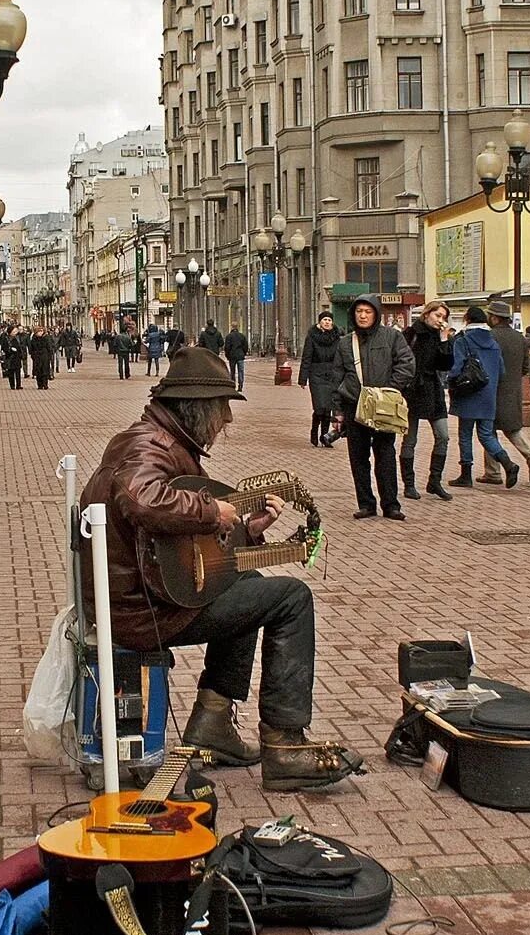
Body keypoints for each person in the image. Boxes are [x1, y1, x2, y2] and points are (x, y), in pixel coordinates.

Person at [78, 346, 365, 793]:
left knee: (246, 583)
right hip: (144, 612)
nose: (227, 421)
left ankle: (212, 722)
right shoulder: (149, 446)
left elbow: (178, 545)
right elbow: (139, 499)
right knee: (292, 598)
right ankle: (284, 744)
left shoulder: (161, 440)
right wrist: (212, 510)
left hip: (145, 596)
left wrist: (249, 529)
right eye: (222, 409)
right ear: (198, 409)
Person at [335, 297, 415, 520]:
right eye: (359, 311)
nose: (362, 316)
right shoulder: (345, 343)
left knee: (385, 455)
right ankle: (366, 504)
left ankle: (391, 505)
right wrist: (337, 410)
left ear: (376, 314)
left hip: (383, 407)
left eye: (367, 312)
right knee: (358, 457)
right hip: (355, 405)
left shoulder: (392, 337)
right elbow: (337, 376)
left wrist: (389, 390)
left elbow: (407, 364)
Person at [448, 306, 520, 489]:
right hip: (489, 396)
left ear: (467, 319)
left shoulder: (462, 340)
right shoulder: (493, 343)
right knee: (486, 434)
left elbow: (456, 368)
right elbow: (502, 372)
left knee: (465, 434)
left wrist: (450, 380)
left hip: (468, 393)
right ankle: (508, 464)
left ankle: (466, 475)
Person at [481, 302, 530, 483]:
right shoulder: (520, 338)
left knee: (488, 431)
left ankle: (493, 472)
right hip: (513, 391)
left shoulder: (490, 337)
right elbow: (526, 367)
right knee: (513, 429)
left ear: (494, 317)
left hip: (492, 391)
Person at [400, 302, 454, 501]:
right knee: (410, 439)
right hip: (413, 391)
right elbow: (401, 359)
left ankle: (434, 481)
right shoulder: (411, 333)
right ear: (427, 314)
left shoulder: (439, 336)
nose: (440, 320)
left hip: (433, 389)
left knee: (443, 436)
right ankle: (409, 484)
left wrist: (443, 338)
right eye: (437, 315)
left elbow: (446, 364)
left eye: (443, 317)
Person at [297, 309, 342, 448]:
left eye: (329, 320)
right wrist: (303, 379)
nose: (327, 322)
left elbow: (341, 357)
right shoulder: (312, 336)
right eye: (324, 320)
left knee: (328, 407)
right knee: (319, 407)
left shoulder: (337, 337)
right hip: (316, 375)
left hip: (331, 375)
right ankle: (314, 430)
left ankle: (325, 437)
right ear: (319, 322)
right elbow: (306, 358)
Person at [223, 321, 249, 392]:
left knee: (232, 371)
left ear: (231, 327)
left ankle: (233, 385)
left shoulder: (229, 336)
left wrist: (227, 355)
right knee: (241, 371)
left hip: (232, 356)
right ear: (238, 327)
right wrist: (243, 353)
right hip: (240, 356)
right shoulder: (242, 336)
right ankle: (240, 385)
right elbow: (245, 346)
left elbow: (227, 347)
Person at [29, 325, 55, 389]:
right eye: (39, 331)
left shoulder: (46, 338)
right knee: (38, 371)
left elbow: (49, 348)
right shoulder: (34, 339)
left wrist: (49, 356)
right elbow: (31, 348)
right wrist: (33, 356)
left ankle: (45, 384)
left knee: (45, 371)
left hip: (45, 357)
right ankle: (39, 385)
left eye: (41, 331)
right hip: (37, 357)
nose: (40, 332)